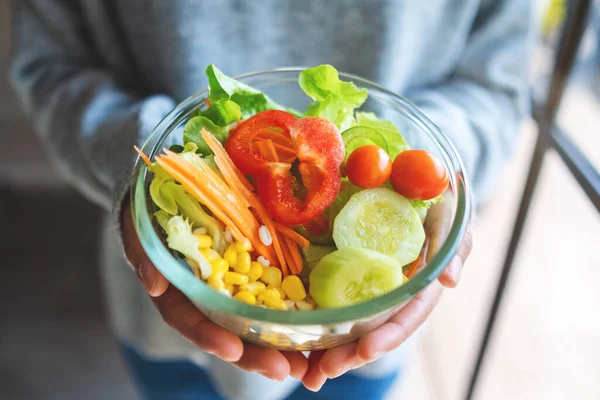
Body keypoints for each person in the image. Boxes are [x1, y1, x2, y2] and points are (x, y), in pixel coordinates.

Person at [9, 0, 536, 399]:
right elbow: (51, 66)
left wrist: (440, 174)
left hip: (365, 330)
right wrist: (151, 160)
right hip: (175, 314)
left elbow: (497, 82)